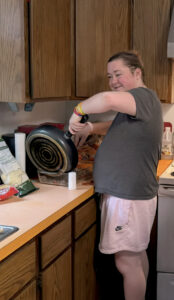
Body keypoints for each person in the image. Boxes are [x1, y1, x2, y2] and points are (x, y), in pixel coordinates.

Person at [68, 51, 163, 300]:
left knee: (126, 263)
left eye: (118, 74)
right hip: (130, 194)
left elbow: (108, 99)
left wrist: (78, 112)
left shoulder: (140, 96)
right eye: (110, 76)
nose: (113, 81)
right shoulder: (141, 102)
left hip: (128, 197)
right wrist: (91, 127)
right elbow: (118, 123)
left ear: (137, 73)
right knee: (136, 256)